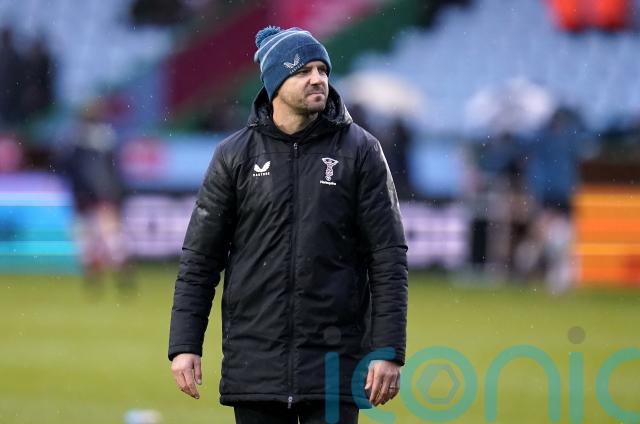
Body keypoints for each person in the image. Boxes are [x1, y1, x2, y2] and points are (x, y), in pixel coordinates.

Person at [168, 26, 408, 424]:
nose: (318, 79)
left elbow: (388, 258)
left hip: (335, 364)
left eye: (322, 70)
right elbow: (200, 260)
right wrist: (184, 344)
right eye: (303, 71)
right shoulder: (234, 156)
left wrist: (388, 350)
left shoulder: (361, 151)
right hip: (255, 365)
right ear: (275, 82)